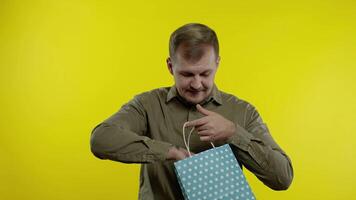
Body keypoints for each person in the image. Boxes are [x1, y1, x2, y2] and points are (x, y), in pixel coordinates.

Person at [90, 23, 293, 200]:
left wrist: (233, 133)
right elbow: (101, 139)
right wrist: (170, 152)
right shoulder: (147, 105)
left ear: (217, 63)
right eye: (187, 74)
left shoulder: (243, 111)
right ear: (170, 66)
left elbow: (282, 178)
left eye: (205, 73)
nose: (197, 84)